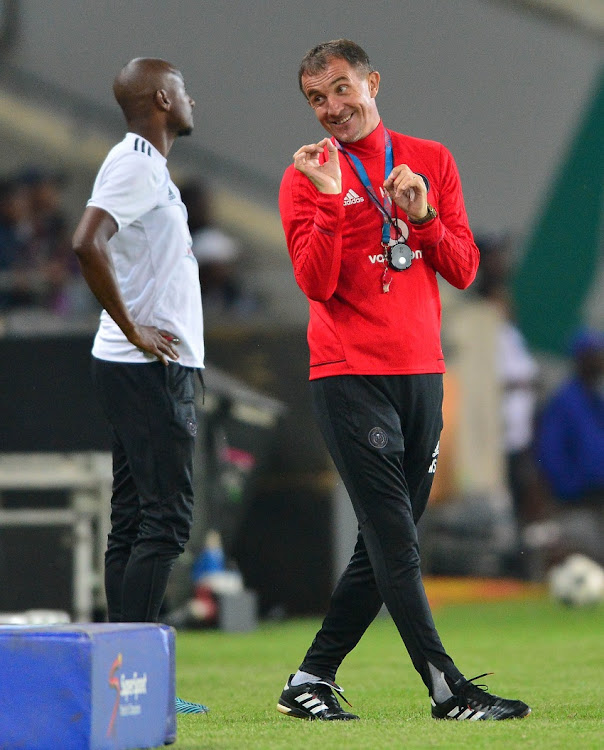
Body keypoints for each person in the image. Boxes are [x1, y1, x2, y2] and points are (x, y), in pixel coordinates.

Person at [276, 39, 530, 722]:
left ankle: (310, 678)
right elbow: (316, 283)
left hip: (421, 375)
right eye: (315, 99)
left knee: (387, 543)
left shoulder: (432, 160)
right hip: (349, 375)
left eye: (339, 89)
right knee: (394, 539)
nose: (330, 108)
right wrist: (332, 202)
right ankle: (447, 689)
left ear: (372, 82)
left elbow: (465, 270)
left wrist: (422, 217)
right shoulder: (306, 176)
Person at [72, 57, 208, 715]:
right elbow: (85, 242)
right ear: (162, 98)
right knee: (164, 518)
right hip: (145, 367)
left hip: (140, 364)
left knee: (133, 518)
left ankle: (121, 678)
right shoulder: (133, 164)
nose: (190, 98)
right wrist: (134, 329)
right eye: (182, 89)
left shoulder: (145, 165)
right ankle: (136, 678)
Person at [535, 327, 604, 566]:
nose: (599, 360)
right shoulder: (565, 401)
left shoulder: (597, 398)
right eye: (594, 354)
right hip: (578, 500)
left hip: (598, 497)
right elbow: (550, 454)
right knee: (588, 557)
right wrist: (571, 486)